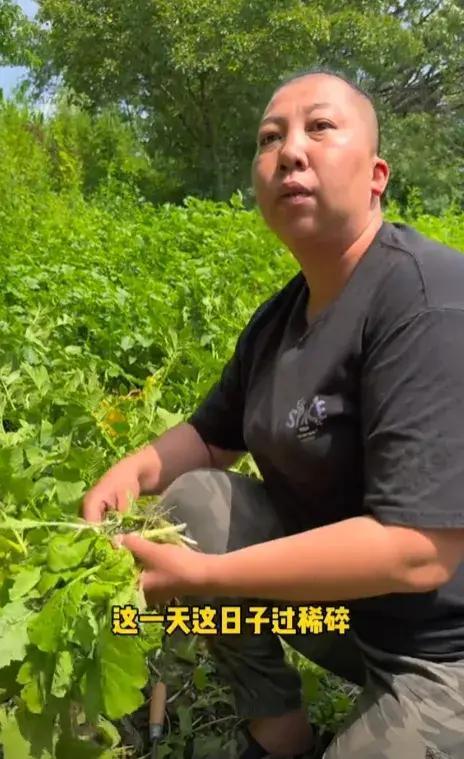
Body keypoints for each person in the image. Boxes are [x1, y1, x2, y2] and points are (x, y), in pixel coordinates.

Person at [82, 67, 464, 759]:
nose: (290, 150)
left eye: (320, 127)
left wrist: (205, 581)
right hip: (346, 613)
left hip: (448, 651)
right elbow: (209, 436)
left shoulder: (427, 299)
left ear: (376, 175)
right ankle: (280, 732)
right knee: (194, 501)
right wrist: (132, 469)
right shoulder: (280, 319)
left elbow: (420, 551)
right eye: (270, 137)